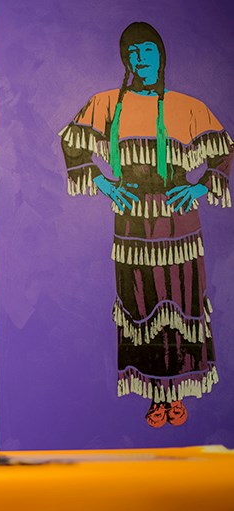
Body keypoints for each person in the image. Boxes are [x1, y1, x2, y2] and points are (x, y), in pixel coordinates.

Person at [59, 22, 231, 428]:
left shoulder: (187, 106)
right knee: (139, 303)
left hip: (180, 226)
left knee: (183, 301)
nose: (140, 59)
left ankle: (178, 389)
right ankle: (155, 395)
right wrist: (101, 180)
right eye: (133, 52)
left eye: (148, 50)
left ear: (160, 54)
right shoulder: (105, 104)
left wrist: (200, 187)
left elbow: (223, 153)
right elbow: (71, 142)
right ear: (126, 59)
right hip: (132, 226)